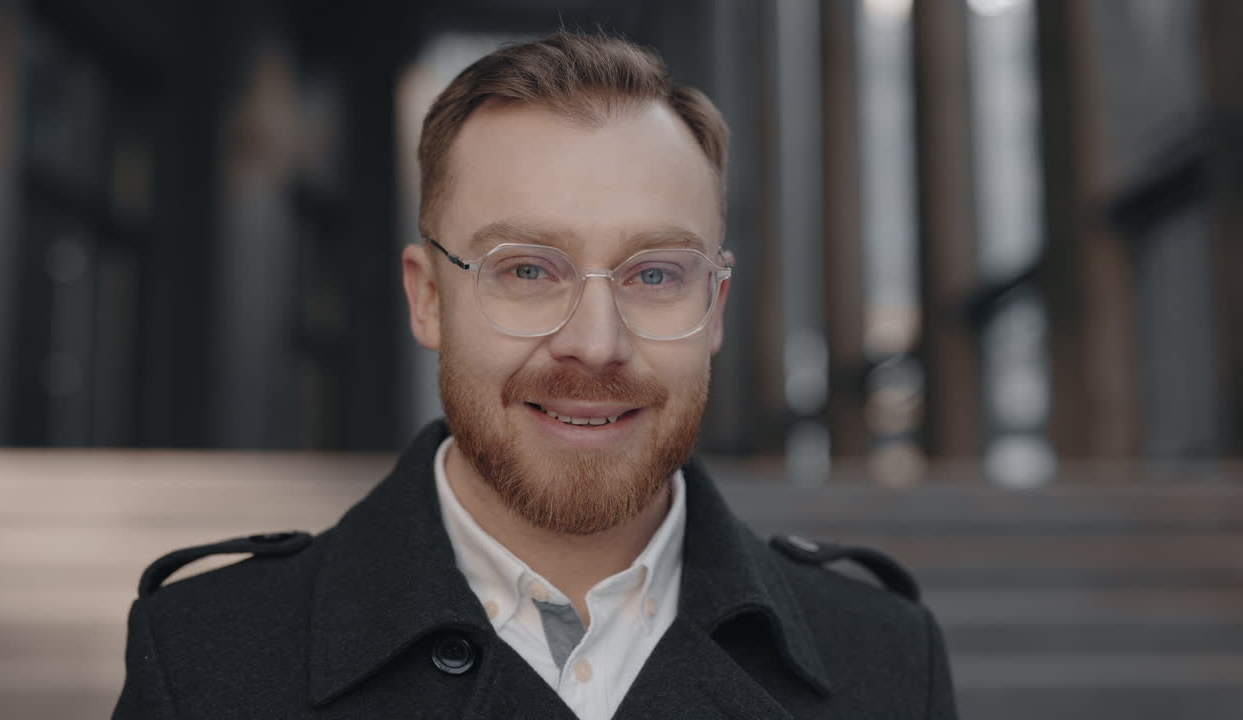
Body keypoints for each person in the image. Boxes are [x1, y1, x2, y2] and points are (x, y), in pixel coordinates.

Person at [113, 32, 958, 719]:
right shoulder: (202, 656)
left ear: (719, 306)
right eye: (526, 270)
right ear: (428, 299)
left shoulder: (886, 659)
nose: (595, 344)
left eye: (655, 274)